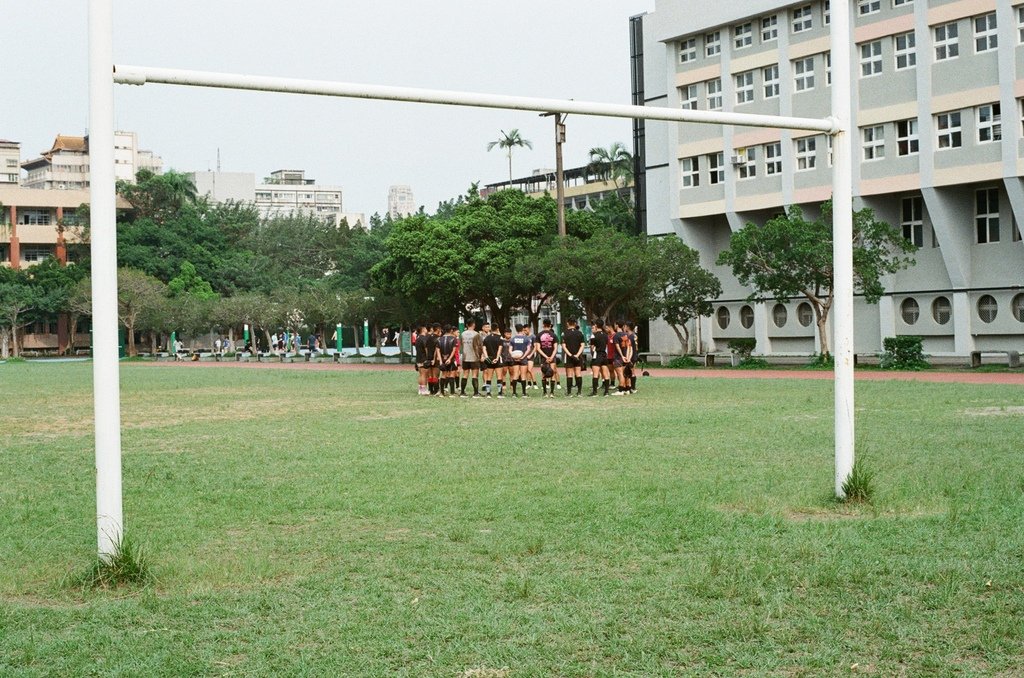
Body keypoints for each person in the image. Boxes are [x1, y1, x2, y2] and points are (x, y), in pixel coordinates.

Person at [561, 318, 586, 397]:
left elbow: (563, 346)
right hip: (578, 357)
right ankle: (579, 392)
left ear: (567, 323)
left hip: (569, 357)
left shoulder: (564, 333)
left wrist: (570, 355)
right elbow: (582, 345)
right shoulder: (580, 333)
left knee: (569, 374)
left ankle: (569, 393)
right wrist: (577, 355)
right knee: (578, 373)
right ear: (575, 324)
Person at [535, 319, 559, 398]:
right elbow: (555, 348)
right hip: (552, 358)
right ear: (550, 325)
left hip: (543, 358)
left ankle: (545, 393)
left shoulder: (539, 335)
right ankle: (552, 393)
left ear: (543, 324)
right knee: (552, 374)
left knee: (543, 374)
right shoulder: (554, 335)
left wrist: (545, 357)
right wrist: (551, 357)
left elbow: (538, 348)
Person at [436, 325, 460, 397]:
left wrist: (440, 360)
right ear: (451, 330)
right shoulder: (454, 339)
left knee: (443, 375)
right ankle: (452, 393)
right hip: (451, 359)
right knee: (452, 375)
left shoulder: (439, 339)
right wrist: (450, 359)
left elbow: (438, 351)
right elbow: (454, 350)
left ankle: (442, 393)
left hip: (443, 359)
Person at [460, 320, 482, 397]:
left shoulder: (462, 334)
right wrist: (480, 355)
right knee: (474, 375)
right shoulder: (476, 334)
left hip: (465, 356)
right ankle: (476, 393)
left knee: (465, 374)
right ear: (474, 325)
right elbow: (479, 346)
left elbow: (461, 344)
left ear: (466, 325)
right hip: (474, 356)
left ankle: (462, 392)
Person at [589, 320, 611, 396]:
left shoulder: (594, 335)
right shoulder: (605, 335)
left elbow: (592, 347)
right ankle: (606, 392)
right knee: (605, 374)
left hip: (597, 354)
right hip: (604, 355)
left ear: (596, 325)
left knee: (595, 374)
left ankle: (594, 392)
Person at [481, 323, 502, 397]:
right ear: (497, 329)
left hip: (489, 359)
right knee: (499, 376)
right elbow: (500, 349)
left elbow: (484, 349)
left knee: (489, 376)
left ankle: (488, 393)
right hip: (497, 359)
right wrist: (497, 358)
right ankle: (499, 393)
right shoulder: (500, 337)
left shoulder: (486, 338)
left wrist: (487, 357)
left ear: (491, 329)